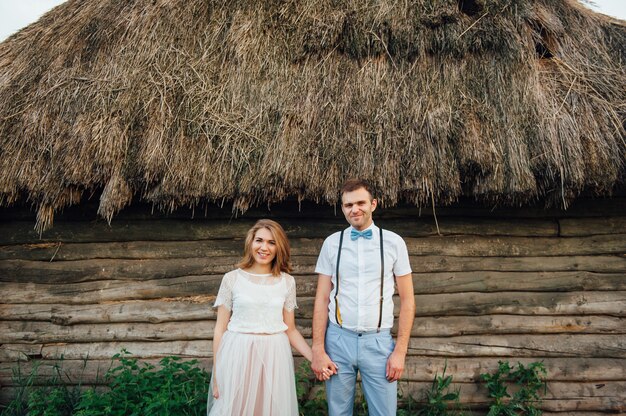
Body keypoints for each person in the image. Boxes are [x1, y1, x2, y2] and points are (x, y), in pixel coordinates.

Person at [311, 179, 415, 416]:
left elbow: (408, 300)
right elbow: (322, 298)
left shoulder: (394, 243)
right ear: (343, 208)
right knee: (338, 413)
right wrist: (318, 348)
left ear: (373, 204)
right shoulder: (331, 244)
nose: (354, 209)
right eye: (348, 205)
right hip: (337, 340)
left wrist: (400, 351)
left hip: (378, 343)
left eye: (360, 203)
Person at [208, 219, 317, 416]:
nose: (264, 247)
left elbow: (290, 329)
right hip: (238, 354)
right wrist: (217, 375)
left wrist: (314, 359)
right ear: (251, 242)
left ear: (279, 248)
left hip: (274, 356)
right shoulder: (232, 279)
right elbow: (220, 329)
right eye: (259, 240)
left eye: (271, 242)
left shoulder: (287, 282)